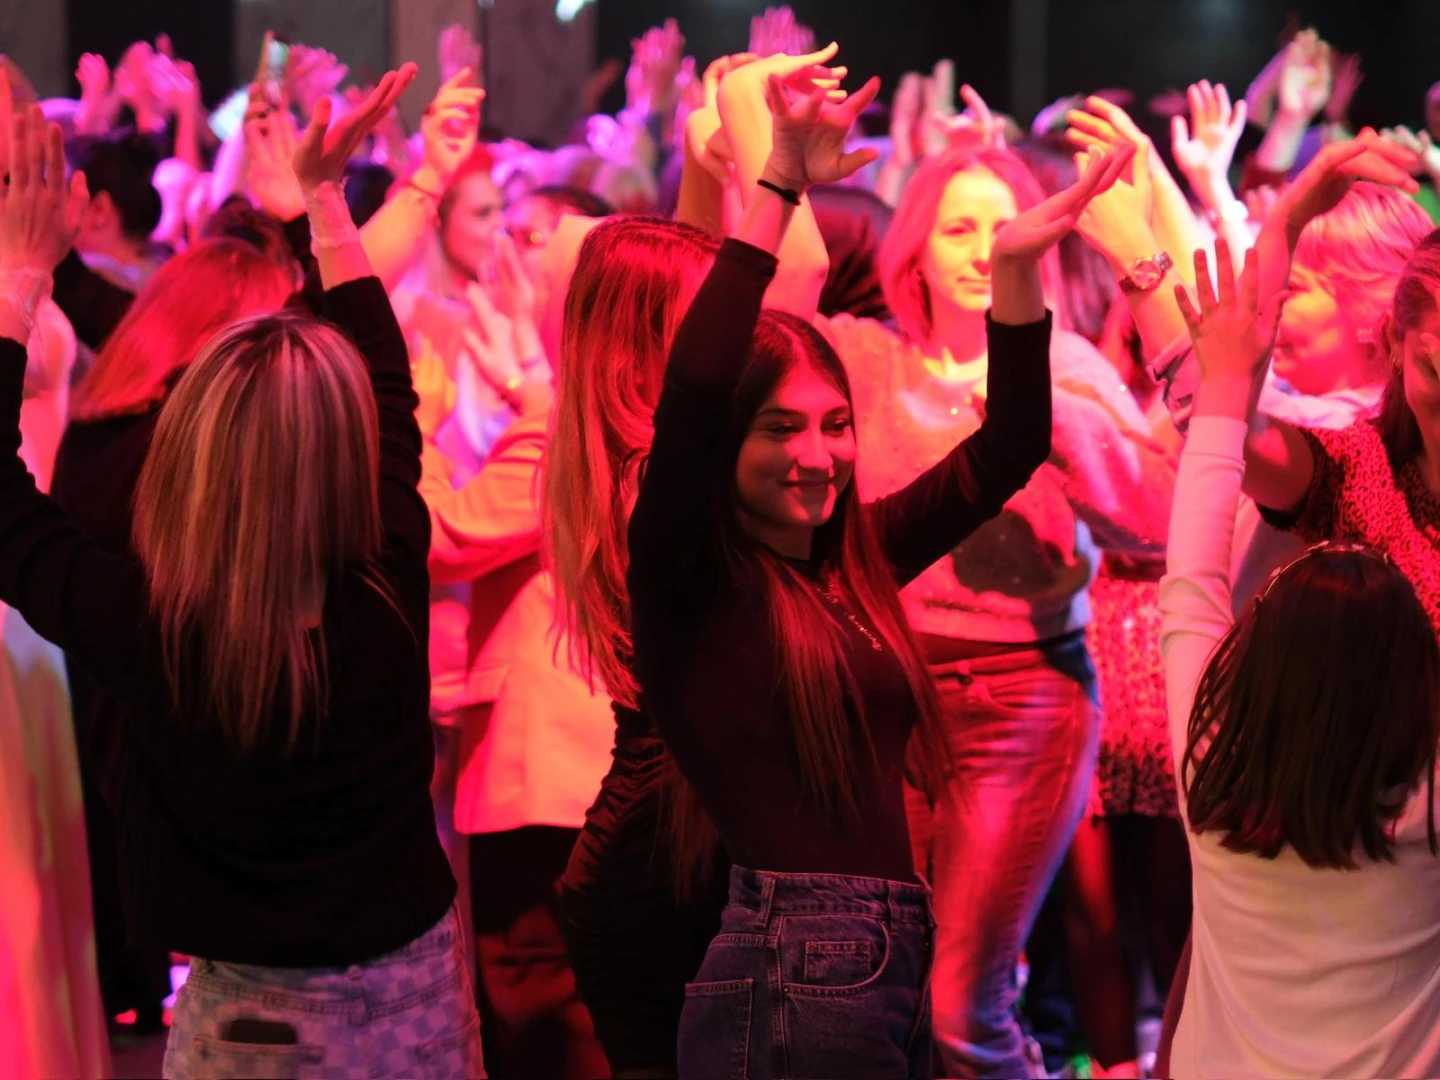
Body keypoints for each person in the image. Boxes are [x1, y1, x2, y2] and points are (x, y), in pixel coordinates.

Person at [628, 62, 1131, 1075]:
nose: (817, 456)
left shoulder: (852, 559)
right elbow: (694, 388)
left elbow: (1007, 448)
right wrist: (775, 187)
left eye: (835, 425)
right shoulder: (693, 577)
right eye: (780, 429)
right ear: (726, 443)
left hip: (876, 959)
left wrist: (1017, 272)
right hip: (791, 968)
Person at [0, 70, 484, 1079]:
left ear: (191, 453)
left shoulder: (151, 629)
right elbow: (388, 384)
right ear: (346, 452)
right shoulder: (388, 579)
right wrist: (325, 204)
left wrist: (15, 283)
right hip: (422, 999)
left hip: (253, 1026)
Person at [822, 138, 1169, 1076]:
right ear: (913, 249)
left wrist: (1042, 414)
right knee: (889, 993)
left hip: (1021, 697)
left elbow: (1156, 520)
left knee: (961, 1005)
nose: (984, 249)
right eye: (959, 228)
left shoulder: (1069, 367)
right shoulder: (865, 357)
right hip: (885, 699)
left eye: (1005, 227)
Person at [1160, 236, 1440, 1078]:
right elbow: (1196, 581)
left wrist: (1223, 378)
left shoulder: (1205, 764)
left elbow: (1190, 583)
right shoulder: (1427, 810)